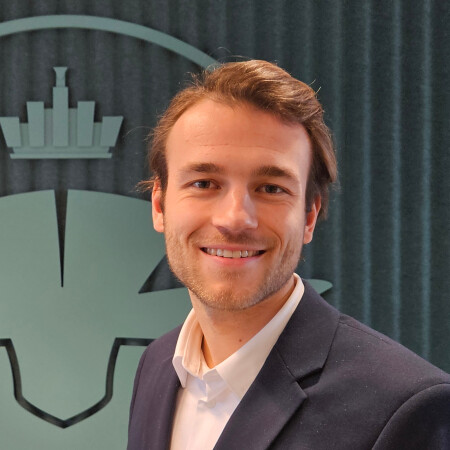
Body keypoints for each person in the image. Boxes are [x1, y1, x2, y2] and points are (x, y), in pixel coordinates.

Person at [127, 60, 450, 450]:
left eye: (270, 188)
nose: (235, 219)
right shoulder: (157, 365)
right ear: (159, 205)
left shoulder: (406, 408)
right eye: (204, 183)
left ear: (309, 216)